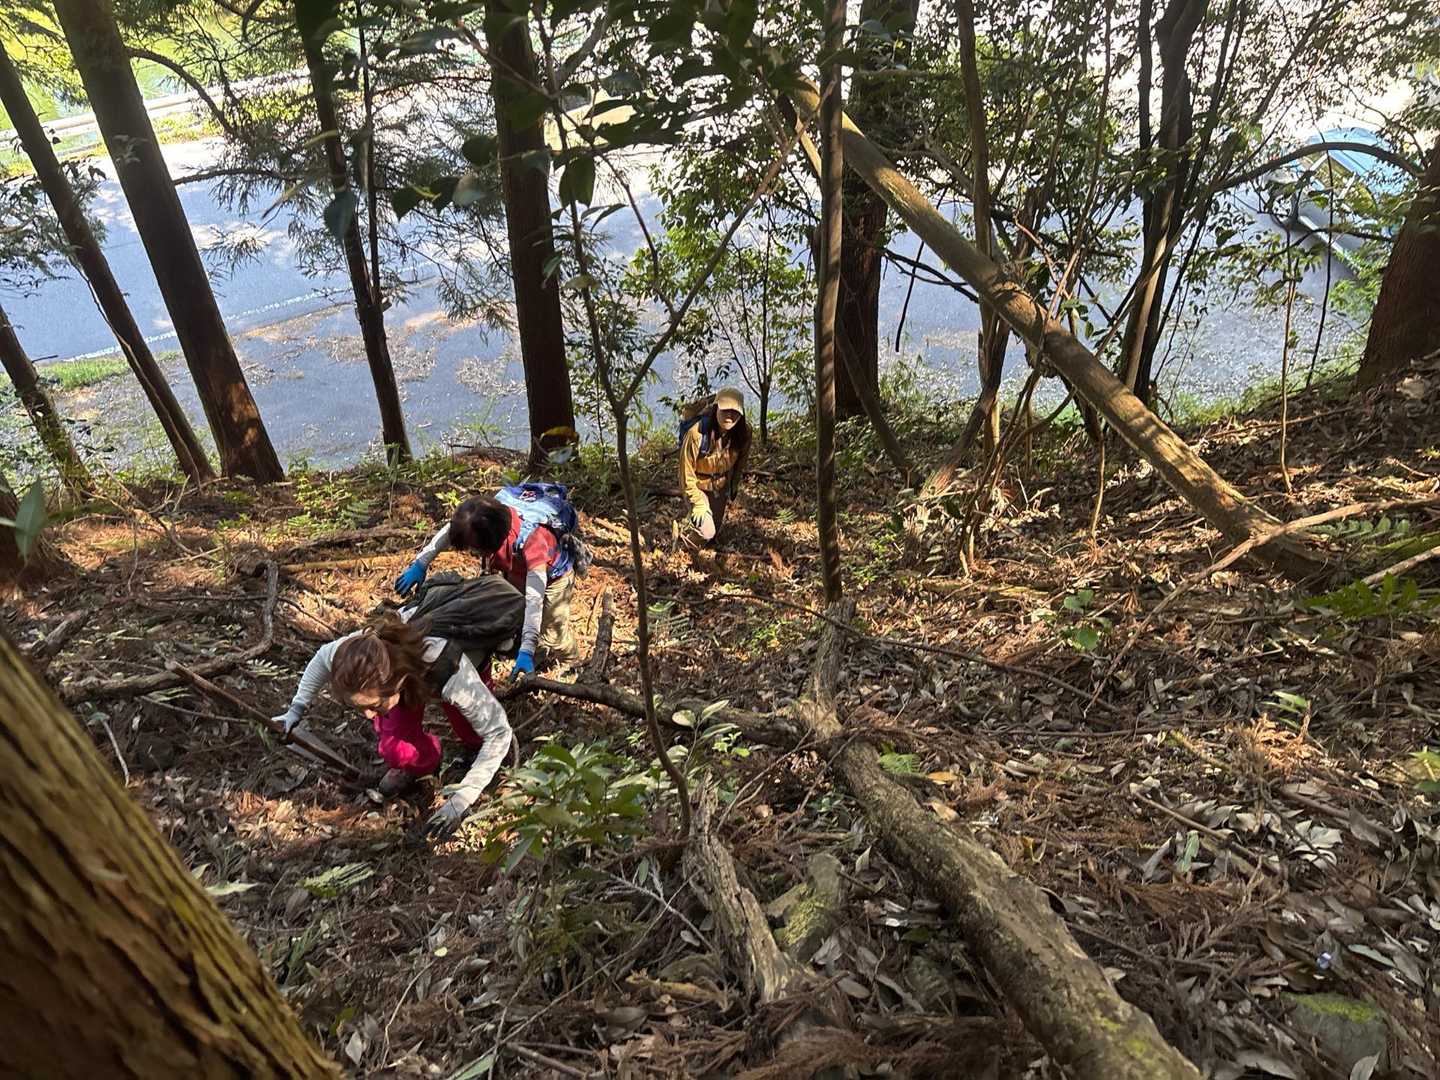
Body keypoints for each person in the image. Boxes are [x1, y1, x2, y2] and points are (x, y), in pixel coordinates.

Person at [272, 611, 511, 838]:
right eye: (360, 707)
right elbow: (322, 657)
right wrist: (296, 709)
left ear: (396, 682)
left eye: (373, 705)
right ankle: (429, 760)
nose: (368, 716)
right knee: (396, 748)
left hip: (459, 665)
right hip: (411, 679)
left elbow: (499, 733)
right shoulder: (358, 654)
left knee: (475, 733)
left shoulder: (450, 672)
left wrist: (462, 798)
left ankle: (474, 750)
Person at [394, 492, 579, 676]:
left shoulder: (534, 541)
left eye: (474, 548)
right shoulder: (488, 511)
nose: (472, 552)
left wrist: (527, 649)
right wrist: (420, 563)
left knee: (552, 633)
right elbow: (450, 530)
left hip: (554, 579)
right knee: (516, 611)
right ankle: (532, 650)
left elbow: (534, 599)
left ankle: (571, 660)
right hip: (517, 568)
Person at [679, 386, 751, 542]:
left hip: (720, 486)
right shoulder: (696, 434)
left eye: (735, 412)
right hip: (697, 486)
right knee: (707, 531)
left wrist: (733, 484)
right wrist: (697, 502)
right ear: (716, 408)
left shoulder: (743, 433)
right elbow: (686, 473)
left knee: (714, 533)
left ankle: (698, 537)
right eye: (725, 410)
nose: (729, 415)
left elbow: (740, 462)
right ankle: (683, 542)